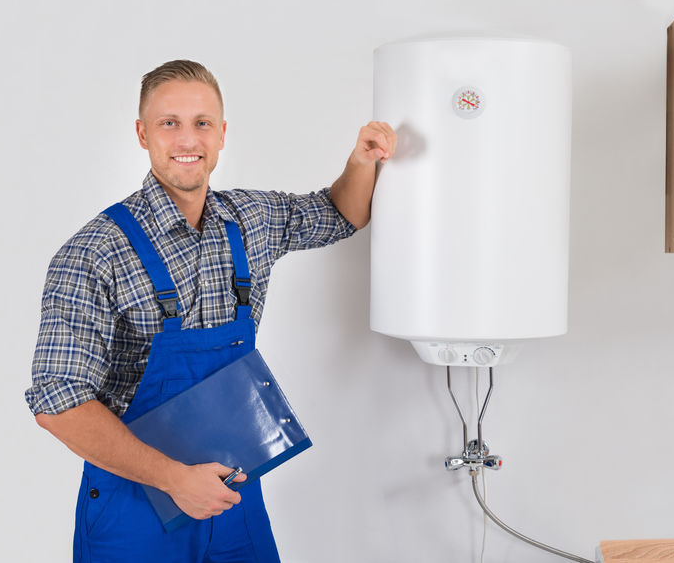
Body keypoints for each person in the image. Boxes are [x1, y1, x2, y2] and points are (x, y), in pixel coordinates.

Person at [25, 59, 397, 563]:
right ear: (142, 134)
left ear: (222, 134)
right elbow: (58, 402)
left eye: (202, 123)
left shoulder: (252, 220)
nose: (188, 139)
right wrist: (175, 479)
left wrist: (362, 159)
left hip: (232, 498)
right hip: (134, 509)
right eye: (169, 123)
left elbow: (338, 213)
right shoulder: (94, 253)